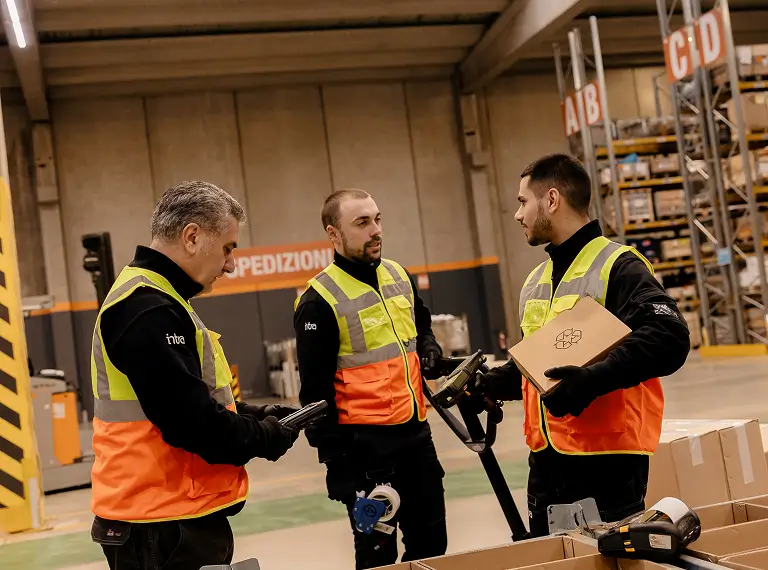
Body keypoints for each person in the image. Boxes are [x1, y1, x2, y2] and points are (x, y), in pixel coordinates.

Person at [89, 181, 301, 570]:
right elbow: (190, 422)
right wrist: (262, 436)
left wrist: (254, 413)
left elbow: (188, 398)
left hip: (172, 516)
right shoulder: (146, 309)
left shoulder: (160, 300)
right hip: (158, 523)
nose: (230, 264)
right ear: (191, 237)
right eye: (227, 248)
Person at [477, 153, 690, 537]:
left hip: (605, 466)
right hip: (546, 464)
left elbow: (669, 336)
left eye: (523, 202)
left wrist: (590, 381)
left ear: (552, 200)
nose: (518, 214)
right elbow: (543, 364)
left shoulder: (618, 265)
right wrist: (491, 383)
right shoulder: (537, 279)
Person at [294, 188, 447, 570]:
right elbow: (313, 393)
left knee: (433, 546)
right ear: (333, 234)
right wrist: (337, 465)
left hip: (416, 438)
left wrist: (429, 346)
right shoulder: (319, 300)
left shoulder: (398, 275)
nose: (375, 230)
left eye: (377, 219)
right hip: (365, 452)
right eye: (362, 223)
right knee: (378, 560)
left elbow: (422, 323)